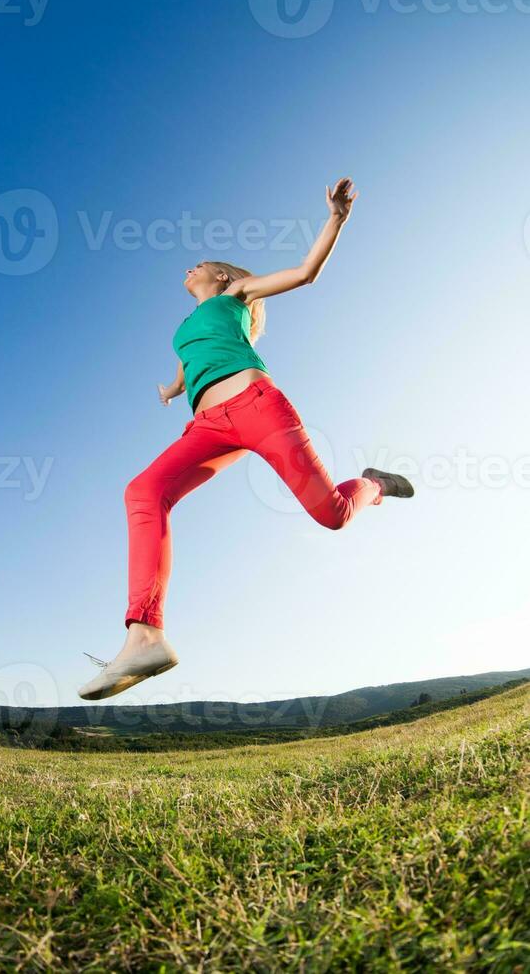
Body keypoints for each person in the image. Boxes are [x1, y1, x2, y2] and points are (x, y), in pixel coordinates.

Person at [78, 178, 414, 701]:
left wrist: (336, 219)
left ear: (224, 275)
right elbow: (192, 365)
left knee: (331, 515)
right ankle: (146, 635)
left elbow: (305, 273)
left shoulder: (237, 294)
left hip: (259, 410)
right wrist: (172, 387)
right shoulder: (189, 324)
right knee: (143, 492)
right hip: (209, 428)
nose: (188, 268)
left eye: (199, 262)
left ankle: (372, 483)